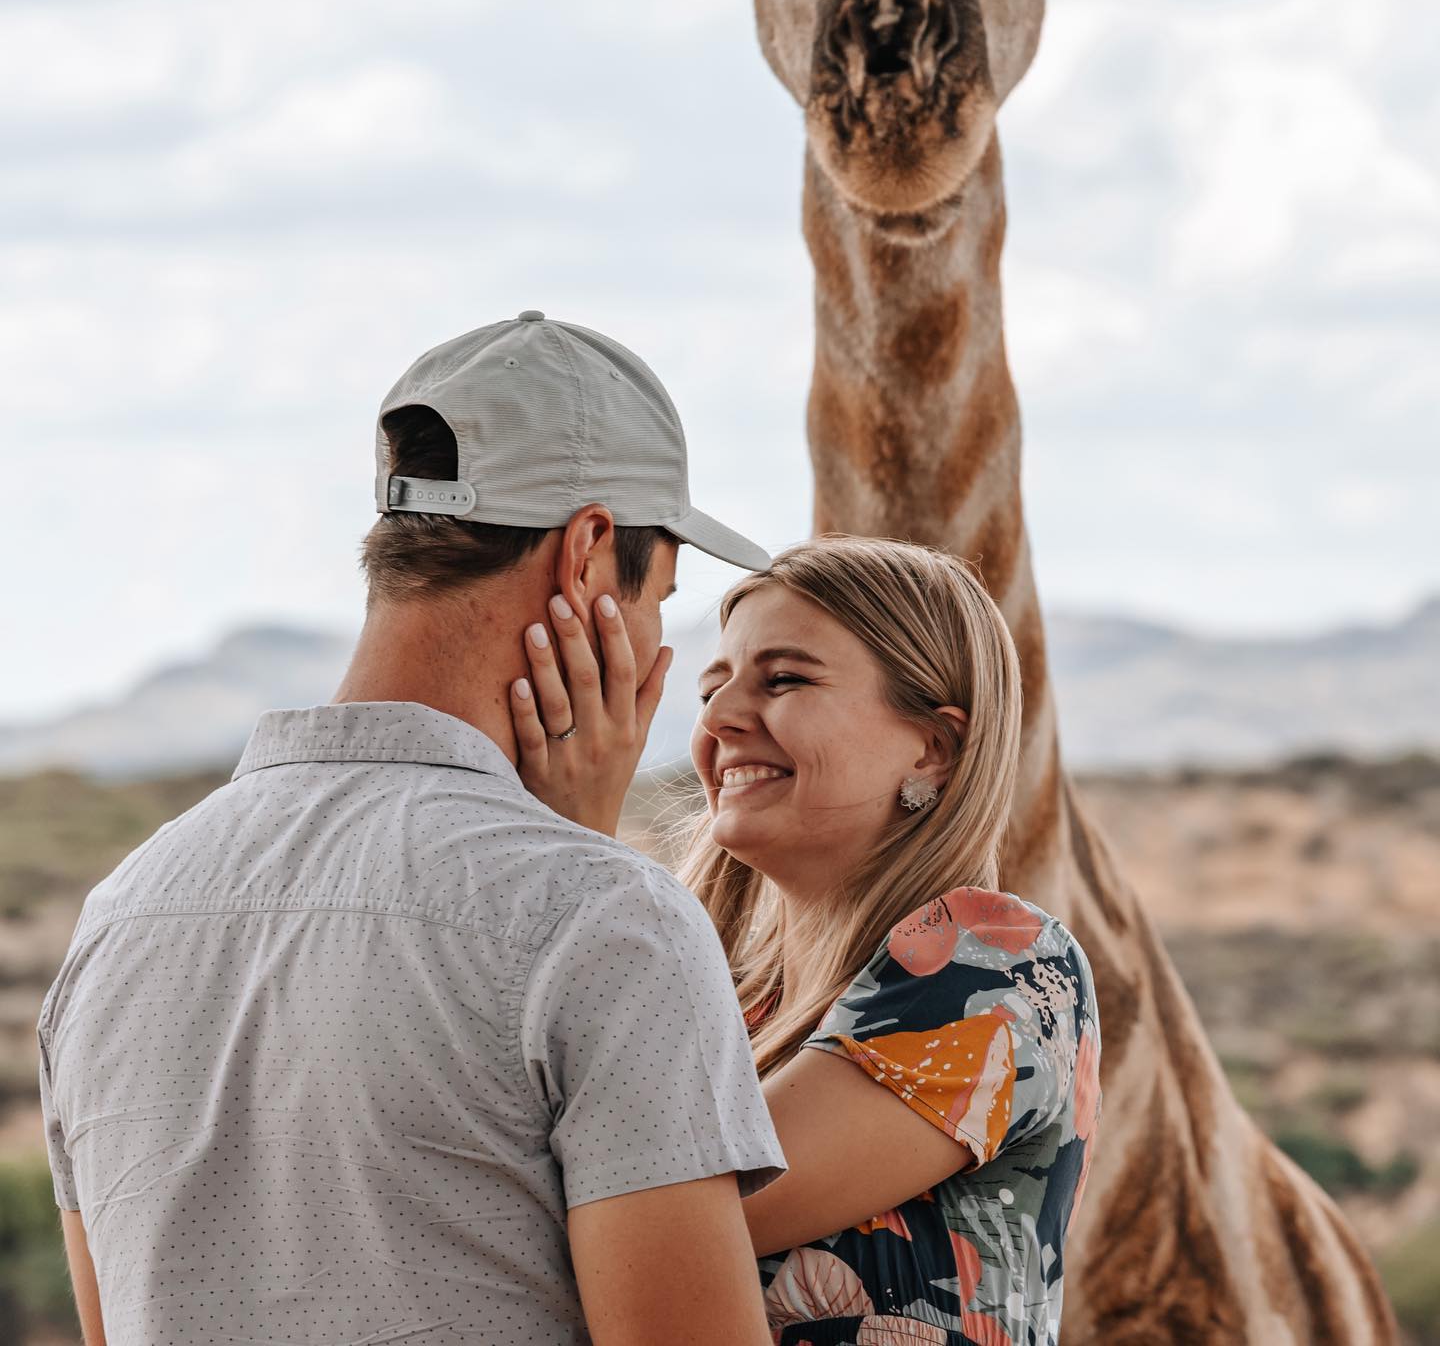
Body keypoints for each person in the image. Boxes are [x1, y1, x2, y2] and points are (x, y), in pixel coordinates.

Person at [37, 311, 787, 1346]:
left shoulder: (121, 913)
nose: (659, 642)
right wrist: (576, 855)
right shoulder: (609, 925)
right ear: (586, 556)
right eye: (660, 596)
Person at [516, 534, 1101, 1346]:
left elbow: (667, 1221)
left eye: (784, 679)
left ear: (932, 747)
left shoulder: (993, 962)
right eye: (712, 688)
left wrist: (573, 845)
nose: (718, 718)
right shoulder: (723, 992)